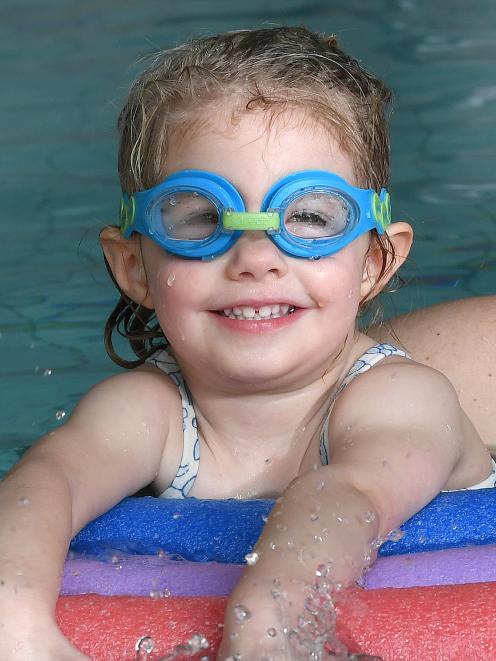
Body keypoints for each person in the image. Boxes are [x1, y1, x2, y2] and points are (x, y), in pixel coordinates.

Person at [0, 26, 494, 660]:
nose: (257, 257)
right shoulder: (150, 411)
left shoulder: (402, 395)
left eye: (311, 218)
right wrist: (15, 616)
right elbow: (46, 481)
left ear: (375, 261)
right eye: (203, 218)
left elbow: (352, 492)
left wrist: (274, 611)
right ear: (133, 267)